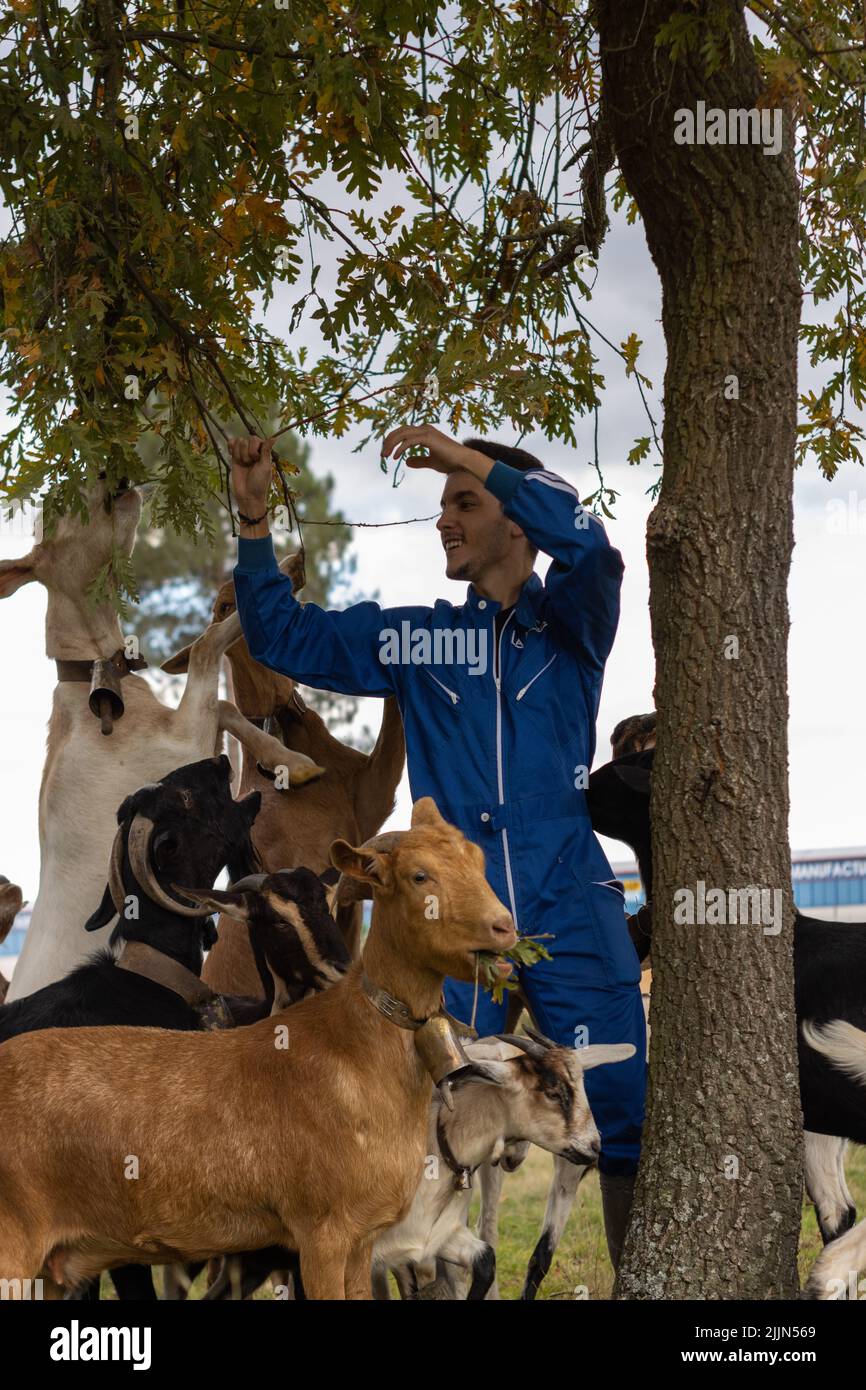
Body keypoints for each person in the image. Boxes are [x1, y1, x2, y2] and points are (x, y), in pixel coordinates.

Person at [229, 424, 646, 1272]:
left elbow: (593, 546)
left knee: (623, 1113)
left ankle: (643, 1287)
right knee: (430, 1126)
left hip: (569, 899)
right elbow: (282, 636)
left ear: (518, 525)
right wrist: (252, 522)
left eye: (465, 503)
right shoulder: (421, 640)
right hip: (446, 919)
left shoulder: (574, 622)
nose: (443, 520)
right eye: (442, 505)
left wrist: (469, 455)